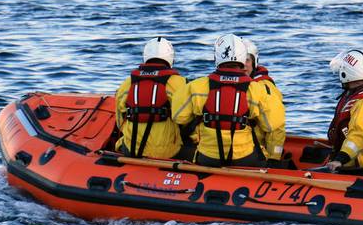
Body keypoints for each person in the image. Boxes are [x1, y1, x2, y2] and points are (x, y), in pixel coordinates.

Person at [171, 34, 284, 167]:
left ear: (216, 57)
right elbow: (273, 125)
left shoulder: (196, 86)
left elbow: (179, 117)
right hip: (245, 157)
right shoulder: (257, 89)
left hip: (207, 157)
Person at [114, 37, 186, 159]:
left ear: (145, 56)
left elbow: (120, 121)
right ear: (171, 58)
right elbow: (184, 118)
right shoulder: (179, 82)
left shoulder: (127, 83)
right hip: (168, 152)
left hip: (131, 149)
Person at [242, 38, 286, 166]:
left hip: (256, 151)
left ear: (255, 62)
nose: (244, 65)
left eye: (247, 60)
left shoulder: (264, 87)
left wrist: (274, 159)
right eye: (240, 61)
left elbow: (276, 127)